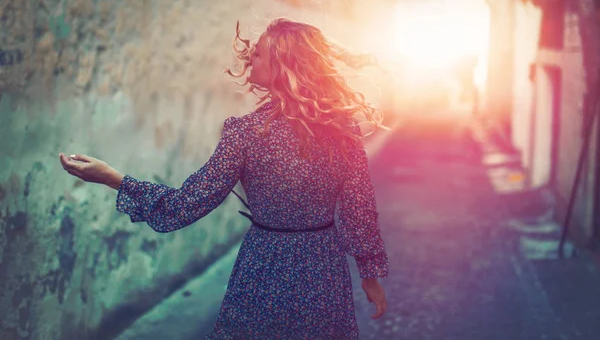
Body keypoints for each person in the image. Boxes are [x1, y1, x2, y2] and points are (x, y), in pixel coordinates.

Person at [59, 18, 390, 339]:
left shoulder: (244, 133)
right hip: (323, 268)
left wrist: (113, 178)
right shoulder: (341, 129)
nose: (249, 58)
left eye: (258, 53)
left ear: (283, 66)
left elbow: (186, 204)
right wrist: (369, 275)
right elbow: (358, 208)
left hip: (263, 268)